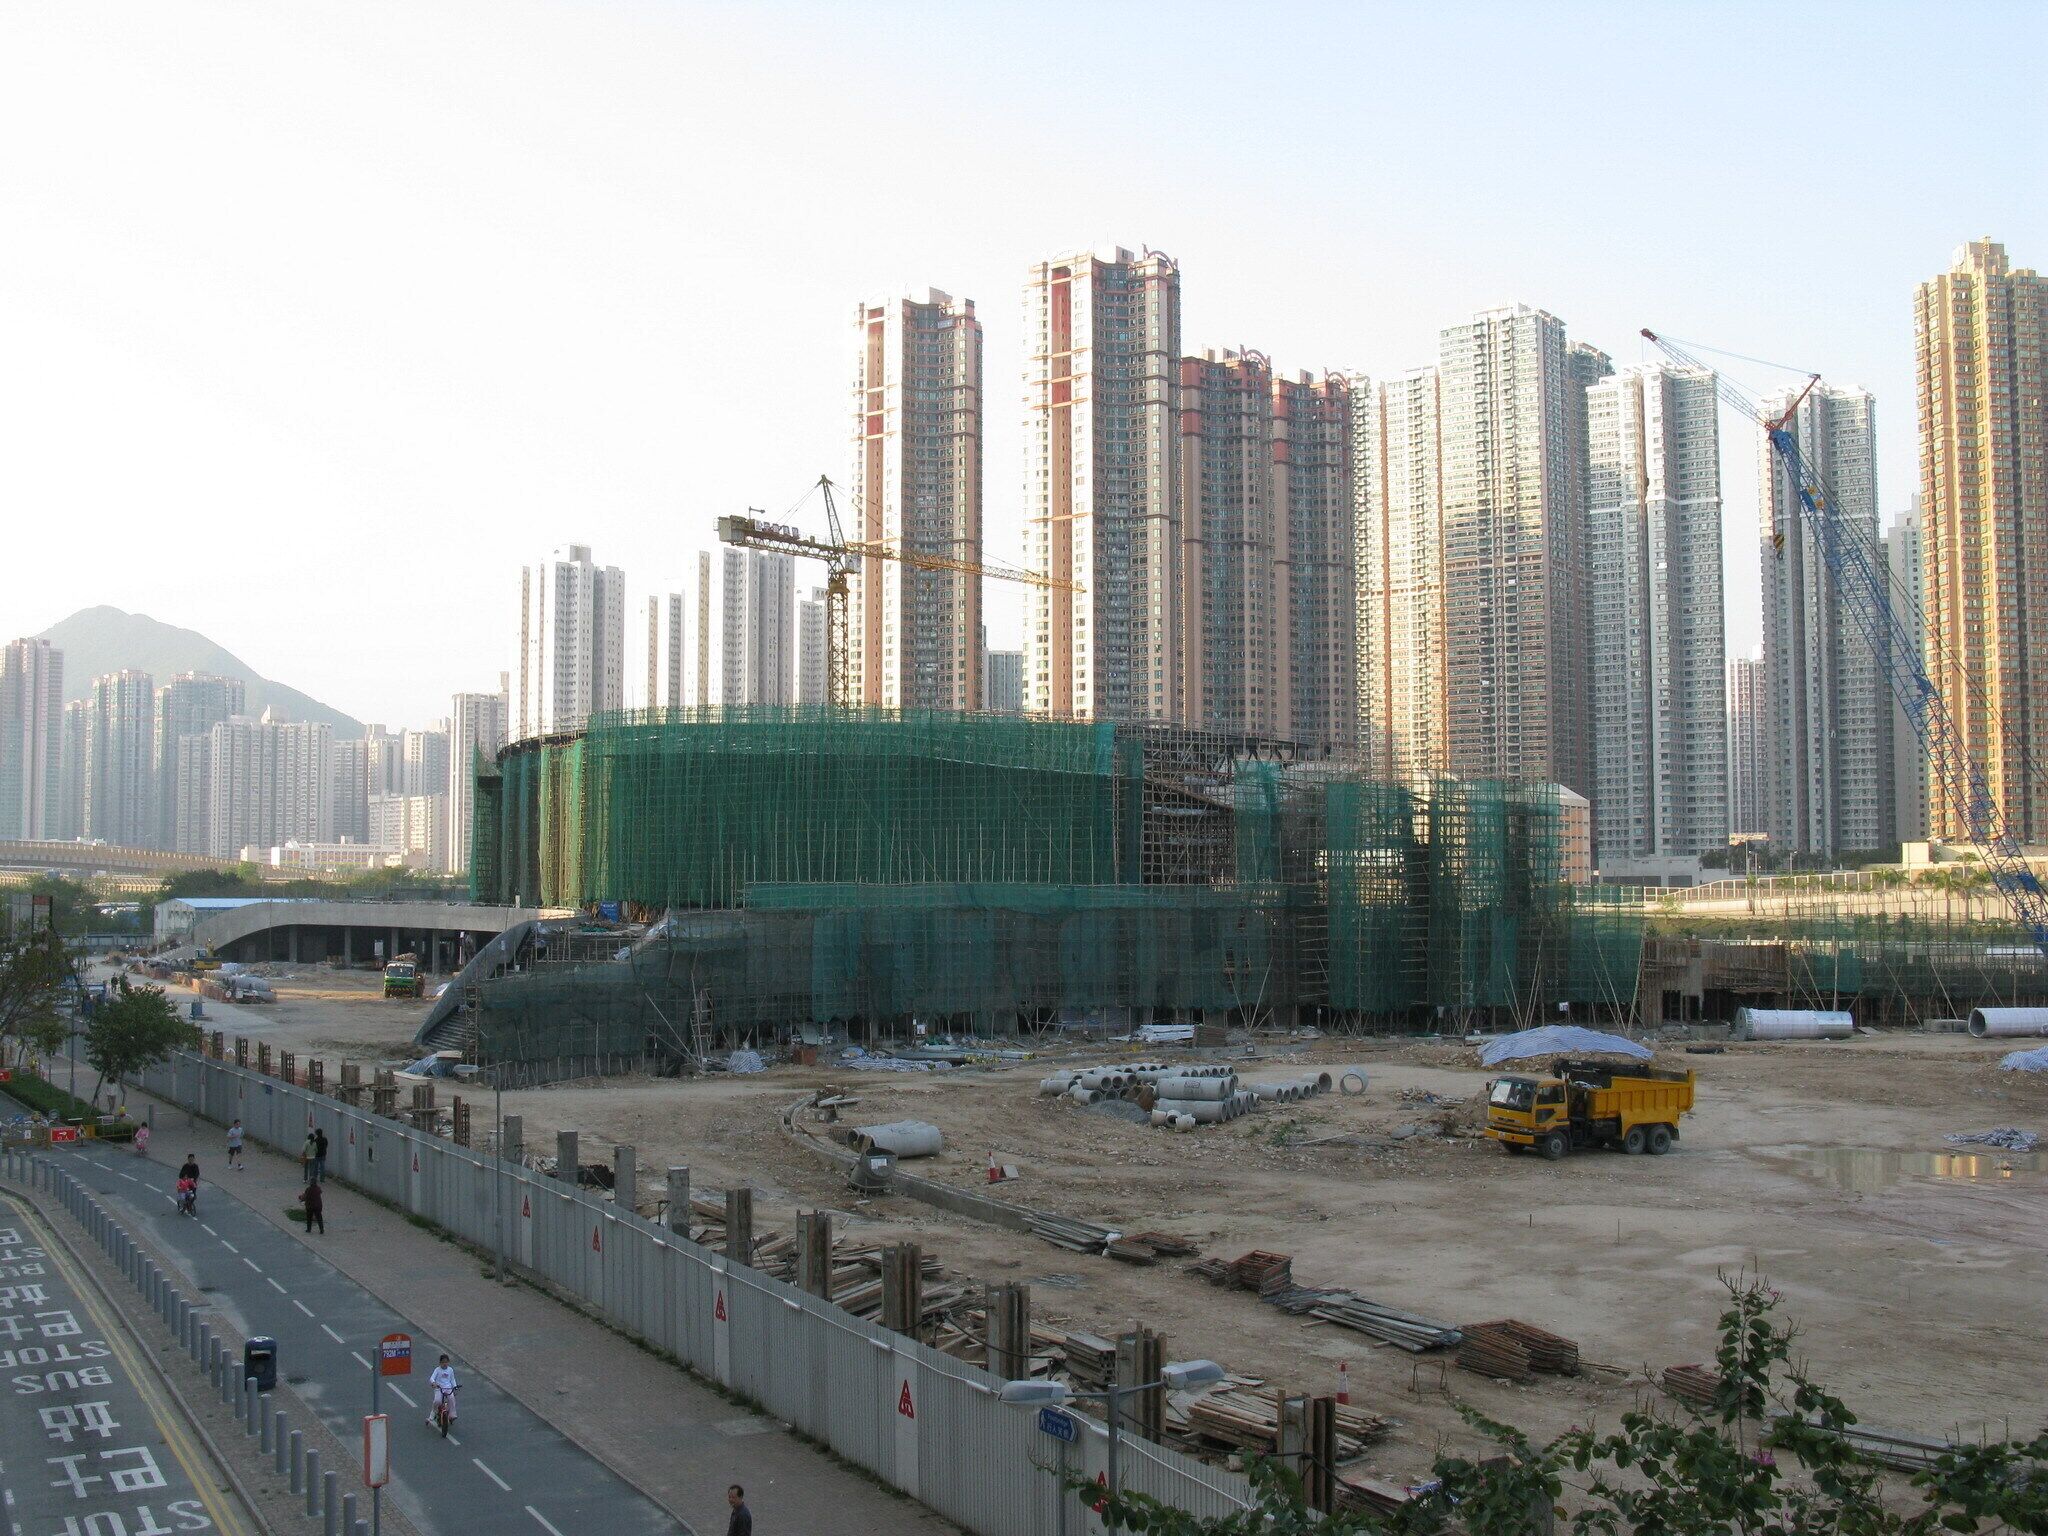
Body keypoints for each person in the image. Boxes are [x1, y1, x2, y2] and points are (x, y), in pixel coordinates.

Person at [428, 1354, 458, 1428]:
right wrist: (434, 1383)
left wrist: (455, 1387)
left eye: (446, 1362)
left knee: (452, 1398)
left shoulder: (450, 1370)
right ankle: (433, 1413)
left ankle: (452, 1415)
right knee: (437, 1401)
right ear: (440, 1363)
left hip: (448, 1388)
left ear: (448, 1362)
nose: (445, 1364)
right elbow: (432, 1378)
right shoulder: (437, 1370)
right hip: (439, 1388)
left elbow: (452, 1379)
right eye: (443, 1362)